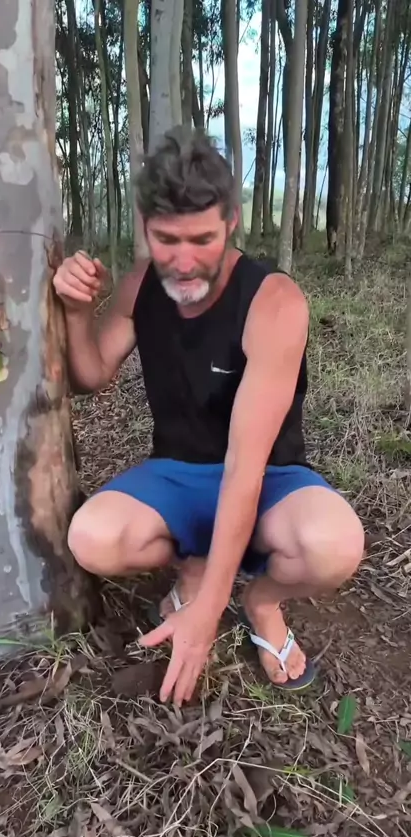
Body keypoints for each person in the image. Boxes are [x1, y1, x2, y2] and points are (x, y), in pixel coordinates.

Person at [53, 126, 364, 706]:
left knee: (334, 544)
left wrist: (208, 613)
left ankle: (261, 601)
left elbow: (245, 468)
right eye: (166, 239)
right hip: (177, 473)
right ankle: (194, 563)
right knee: (91, 538)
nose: (185, 262)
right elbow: (91, 375)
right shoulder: (140, 286)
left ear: (231, 221)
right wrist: (75, 311)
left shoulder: (273, 301)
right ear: (145, 225)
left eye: (202, 239)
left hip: (267, 477)